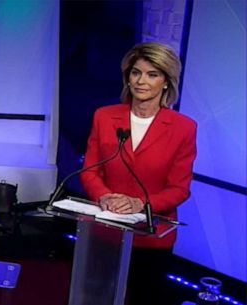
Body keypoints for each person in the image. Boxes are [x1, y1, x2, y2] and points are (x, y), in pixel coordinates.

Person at [80, 42, 196, 304]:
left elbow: (179, 189)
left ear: (166, 82)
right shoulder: (104, 116)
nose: (141, 81)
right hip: (105, 230)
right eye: (136, 73)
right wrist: (105, 196)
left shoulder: (184, 128)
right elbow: (90, 171)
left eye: (152, 74)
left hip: (151, 238)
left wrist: (140, 204)